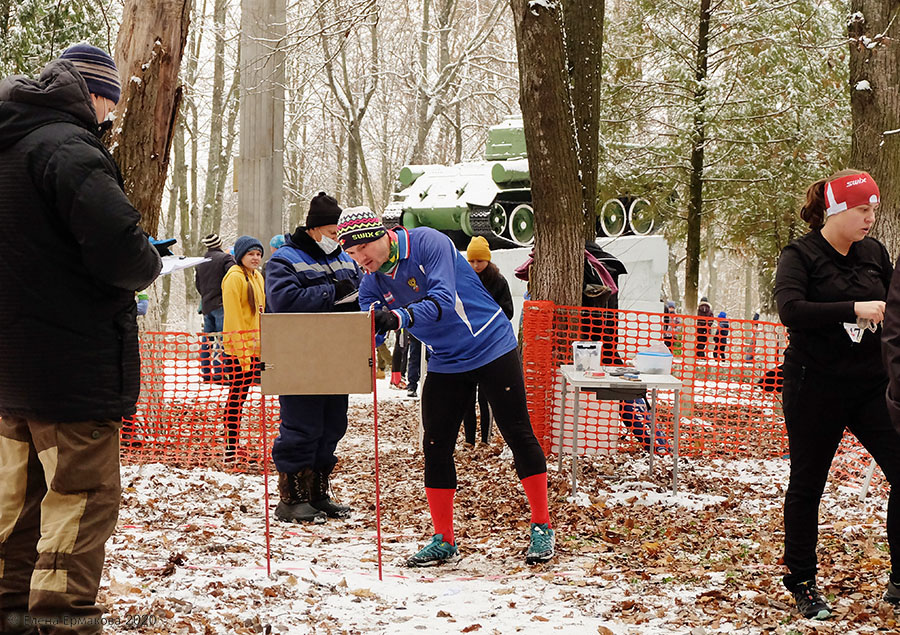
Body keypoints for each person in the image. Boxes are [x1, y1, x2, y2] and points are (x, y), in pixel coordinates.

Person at [0, 43, 162, 633]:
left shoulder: (10, 144)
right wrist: (148, 260)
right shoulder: (69, 149)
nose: (108, 120)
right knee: (79, 498)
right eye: (109, 107)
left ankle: (12, 609)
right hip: (73, 370)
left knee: (16, 505)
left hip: (12, 372)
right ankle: (63, 619)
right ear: (94, 94)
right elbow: (123, 254)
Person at [338, 207, 554, 566]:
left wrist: (398, 317)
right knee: (435, 444)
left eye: (363, 250)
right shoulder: (370, 282)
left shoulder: (427, 243)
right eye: (351, 254)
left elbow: (440, 301)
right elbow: (371, 333)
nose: (361, 260)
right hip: (446, 360)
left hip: (490, 344)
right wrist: (352, 338)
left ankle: (542, 525)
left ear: (382, 235)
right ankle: (444, 538)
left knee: (517, 433)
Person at [775, 170, 900, 619]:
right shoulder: (801, 254)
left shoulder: (874, 253)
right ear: (837, 211)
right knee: (808, 484)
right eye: (862, 210)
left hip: (871, 386)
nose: (870, 219)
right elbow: (790, 310)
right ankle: (803, 583)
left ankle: (899, 580)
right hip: (815, 384)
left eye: (873, 210)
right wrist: (852, 308)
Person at [265, 192, 362, 523]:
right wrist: (333, 292)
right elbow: (284, 301)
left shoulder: (344, 258)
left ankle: (318, 493)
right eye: (334, 234)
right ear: (315, 229)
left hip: (336, 355)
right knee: (301, 426)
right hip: (298, 356)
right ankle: (292, 497)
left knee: (333, 424)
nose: (337, 241)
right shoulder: (283, 261)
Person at [463, 236, 514, 445]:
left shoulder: (498, 281)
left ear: (488, 260)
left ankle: (485, 437)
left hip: (490, 344)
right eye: (472, 261)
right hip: (467, 344)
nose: (476, 266)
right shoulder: (463, 279)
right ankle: (468, 439)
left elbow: (507, 311)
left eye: (479, 261)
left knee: (485, 396)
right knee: (467, 395)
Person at [221, 235, 266, 462]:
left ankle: (234, 442)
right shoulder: (234, 278)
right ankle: (230, 444)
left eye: (258, 254)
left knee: (242, 396)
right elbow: (234, 318)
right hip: (237, 350)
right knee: (235, 397)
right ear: (241, 256)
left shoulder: (257, 276)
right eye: (251, 254)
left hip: (254, 347)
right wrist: (242, 353)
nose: (255, 258)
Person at [196, 233, 235, 382]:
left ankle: (206, 372)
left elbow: (198, 285)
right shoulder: (225, 259)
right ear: (220, 243)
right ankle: (219, 374)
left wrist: (207, 297)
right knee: (221, 340)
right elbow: (232, 277)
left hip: (206, 305)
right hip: (221, 304)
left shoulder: (201, 262)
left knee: (207, 340)